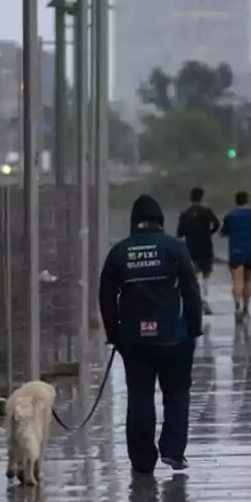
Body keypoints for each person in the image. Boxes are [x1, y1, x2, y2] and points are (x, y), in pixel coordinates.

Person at [99, 194, 203, 474]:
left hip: (134, 339)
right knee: (177, 392)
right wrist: (194, 328)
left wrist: (114, 333)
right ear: (161, 221)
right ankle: (172, 450)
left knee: (140, 396)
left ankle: (142, 460)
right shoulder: (175, 248)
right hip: (173, 336)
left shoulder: (120, 252)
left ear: (134, 222)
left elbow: (107, 295)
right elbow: (191, 291)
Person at [219, 190, 251, 320]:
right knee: (247, 280)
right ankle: (246, 309)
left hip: (235, 251)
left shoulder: (229, 215)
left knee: (237, 280)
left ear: (236, 201)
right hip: (250, 250)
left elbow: (222, 232)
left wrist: (230, 233)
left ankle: (237, 308)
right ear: (247, 200)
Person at [176, 187, 220, 315]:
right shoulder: (207, 212)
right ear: (202, 197)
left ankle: (194, 302)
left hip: (191, 248)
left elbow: (179, 233)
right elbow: (217, 224)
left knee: (192, 276)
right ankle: (205, 300)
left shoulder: (185, 214)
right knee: (206, 275)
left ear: (191, 198)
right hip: (206, 247)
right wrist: (209, 232)